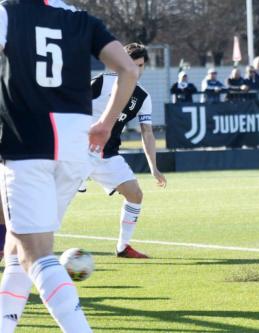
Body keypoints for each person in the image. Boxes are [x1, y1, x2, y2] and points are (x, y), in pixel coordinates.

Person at [0, 1, 139, 332]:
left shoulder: (7, 11)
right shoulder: (82, 19)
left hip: (27, 141)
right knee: (18, 250)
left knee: (37, 255)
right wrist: (105, 123)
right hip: (76, 147)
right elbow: (129, 70)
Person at [84, 42, 166, 259]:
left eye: (141, 66)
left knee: (135, 194)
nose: (137, 70)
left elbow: (147, 133)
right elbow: (69, 104)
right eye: (133, 64)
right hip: (78, 153)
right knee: (51, 203)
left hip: (107, 155)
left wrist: (154, 168)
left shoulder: (142, 97)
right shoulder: (101, 82)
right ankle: (16, 246)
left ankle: (123, 247)